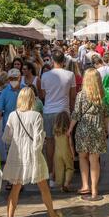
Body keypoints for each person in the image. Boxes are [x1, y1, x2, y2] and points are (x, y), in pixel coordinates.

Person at [2, 87, 62, 217]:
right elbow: (38, 140)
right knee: (43, 187)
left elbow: (7, 138)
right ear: (32, 99)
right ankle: (52, 215)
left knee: (15, 189)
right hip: (32, 155)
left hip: (16, 155)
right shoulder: (36, 116)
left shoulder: (12, 115)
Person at [68, 68, 109, 201]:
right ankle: (95, 191)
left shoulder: (81, 95)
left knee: (82, 157)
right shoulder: (102, 95)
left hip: (84, 128)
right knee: (94, 160)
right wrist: (106, 129)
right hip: (98, 128)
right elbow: (106, 114)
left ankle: (85, 185)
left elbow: (76, 114)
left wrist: (70, 129)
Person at [41, 50, 76, 186]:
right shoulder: (70, 75)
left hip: (49, 111)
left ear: (51, 60)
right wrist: (72, 111)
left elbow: (43, 95)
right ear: (64, 61)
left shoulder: (45, 76)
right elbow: (72, 96)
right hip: (63, 112)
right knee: (64, 144)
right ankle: (62, 174)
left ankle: (51, 175)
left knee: (50, 143)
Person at [0, 69, 21, 180]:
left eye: (16, 78)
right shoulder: (5, 92)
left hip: (23, 128)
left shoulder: (25, 89)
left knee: (21, 154)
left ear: (20, 78)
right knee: (10, 154)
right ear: (8, 79)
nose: (14, 81)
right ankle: (12, 179)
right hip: (9, 128)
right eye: (11, 79)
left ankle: (19, 178)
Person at [54, 112, 75, 192]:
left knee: (60, 169)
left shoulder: (56, 131)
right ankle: (66, 184)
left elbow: (55, 143)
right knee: (69, 168)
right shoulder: (68, 131)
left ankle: (61, 185)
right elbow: (71, 144)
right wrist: (73, 153)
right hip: (67, 152)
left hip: (57, 153)